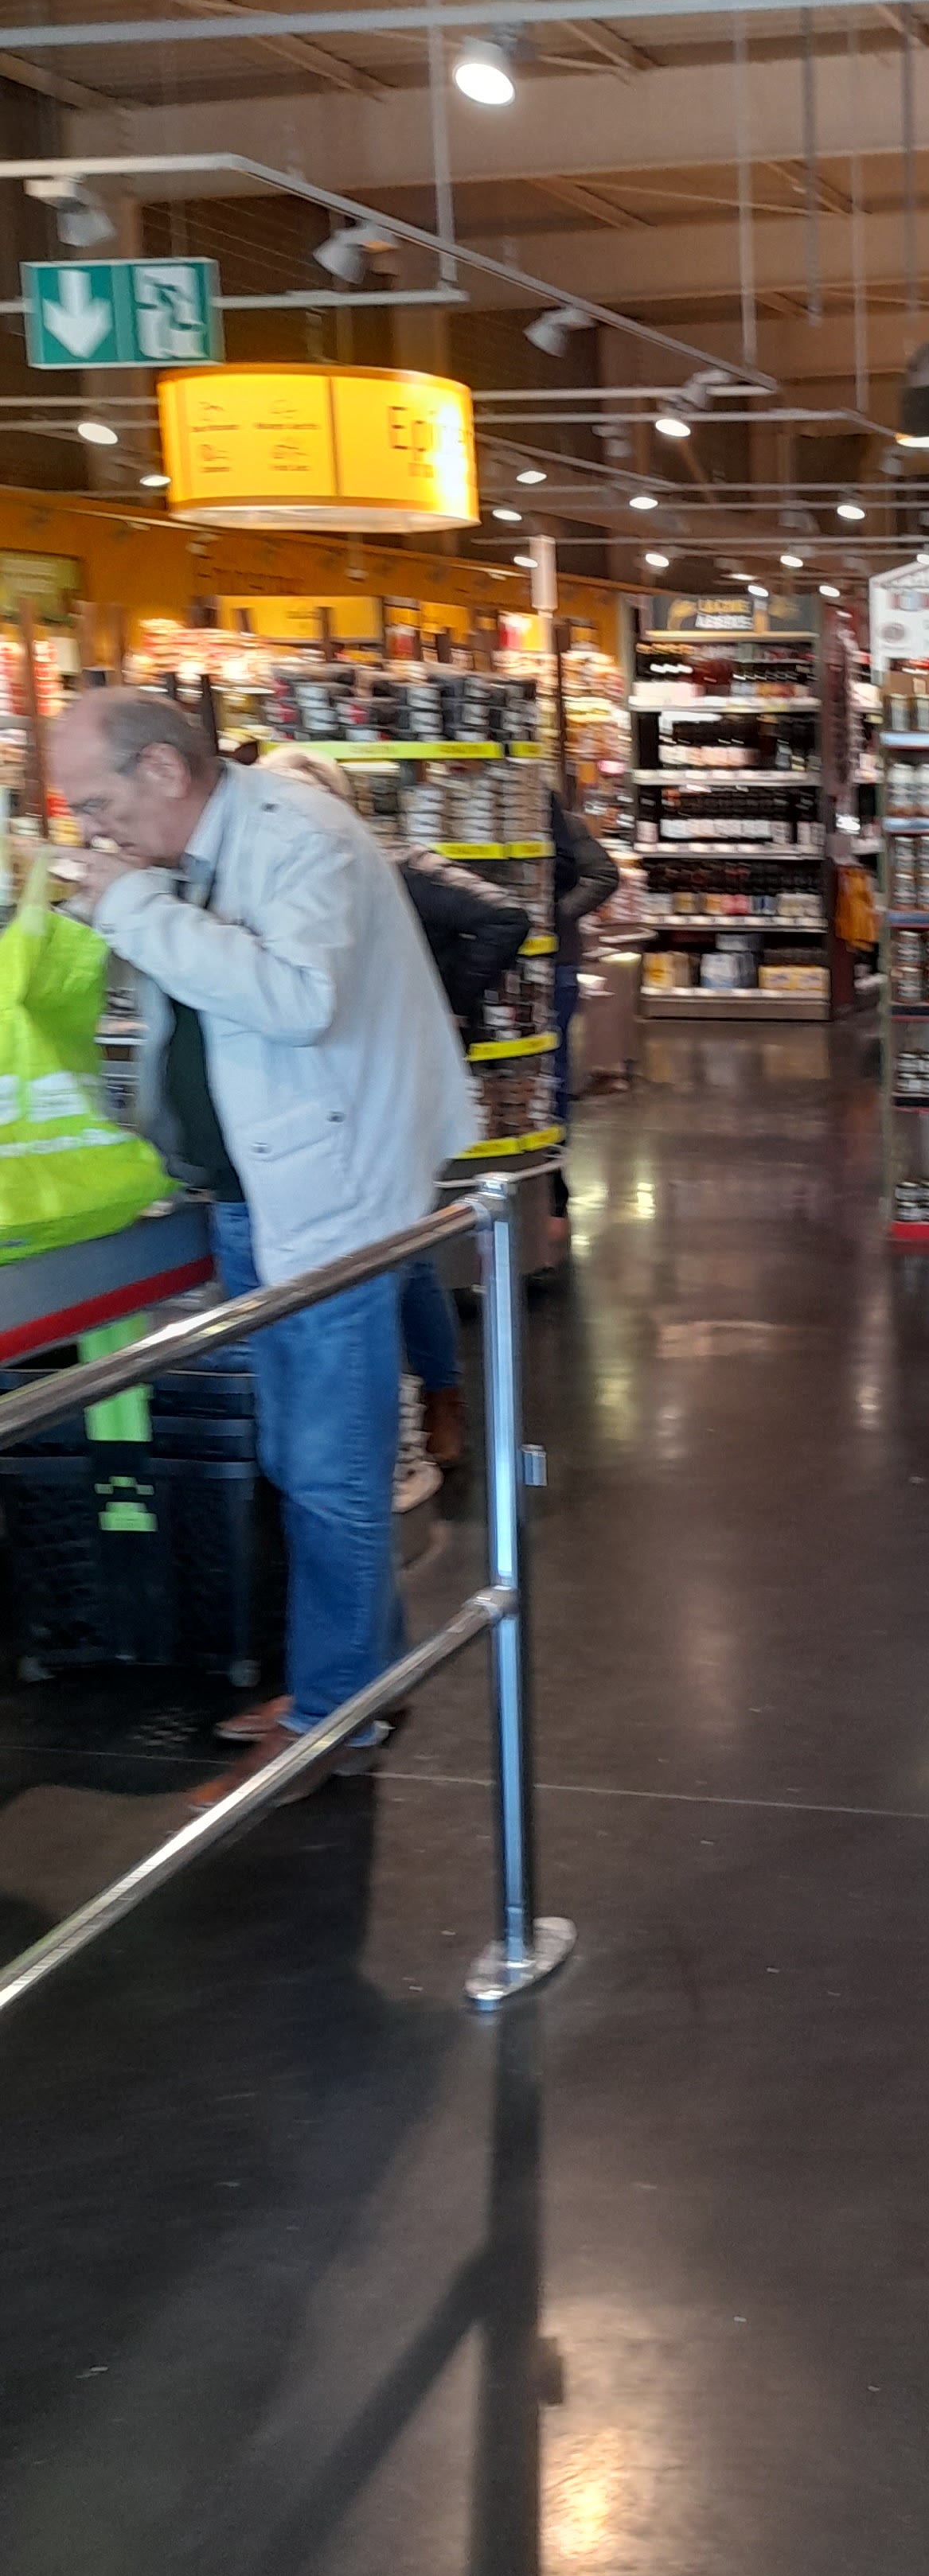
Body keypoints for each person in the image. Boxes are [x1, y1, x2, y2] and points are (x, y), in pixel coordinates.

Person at [47, 690, 478, 1799]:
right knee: (301, 1457)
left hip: (327, 1201)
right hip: (266, 1193)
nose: (94, 828)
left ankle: (337, 1718)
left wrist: (132, 905)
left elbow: (298, 999)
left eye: (98, 803)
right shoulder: (211, 848)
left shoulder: (295, 836)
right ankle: (356, 1674)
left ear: (161, 769)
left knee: (329, 1470)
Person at [263, 745, 531, 1471]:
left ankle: (437, 1399)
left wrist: (445, 1001)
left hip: (392, 1080)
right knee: (384, 1256)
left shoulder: (396, 867)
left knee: (402, 1250)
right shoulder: (279, 883)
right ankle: (410, 1405)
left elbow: (506, 917)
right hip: (329, 1085)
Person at [549, 787, 620, 1195]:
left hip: (555, 959)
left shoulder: (562, 823)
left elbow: (605, 874)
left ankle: (553, 1168)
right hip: (497, 959)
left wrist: (558, 914)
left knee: (554, 1065)